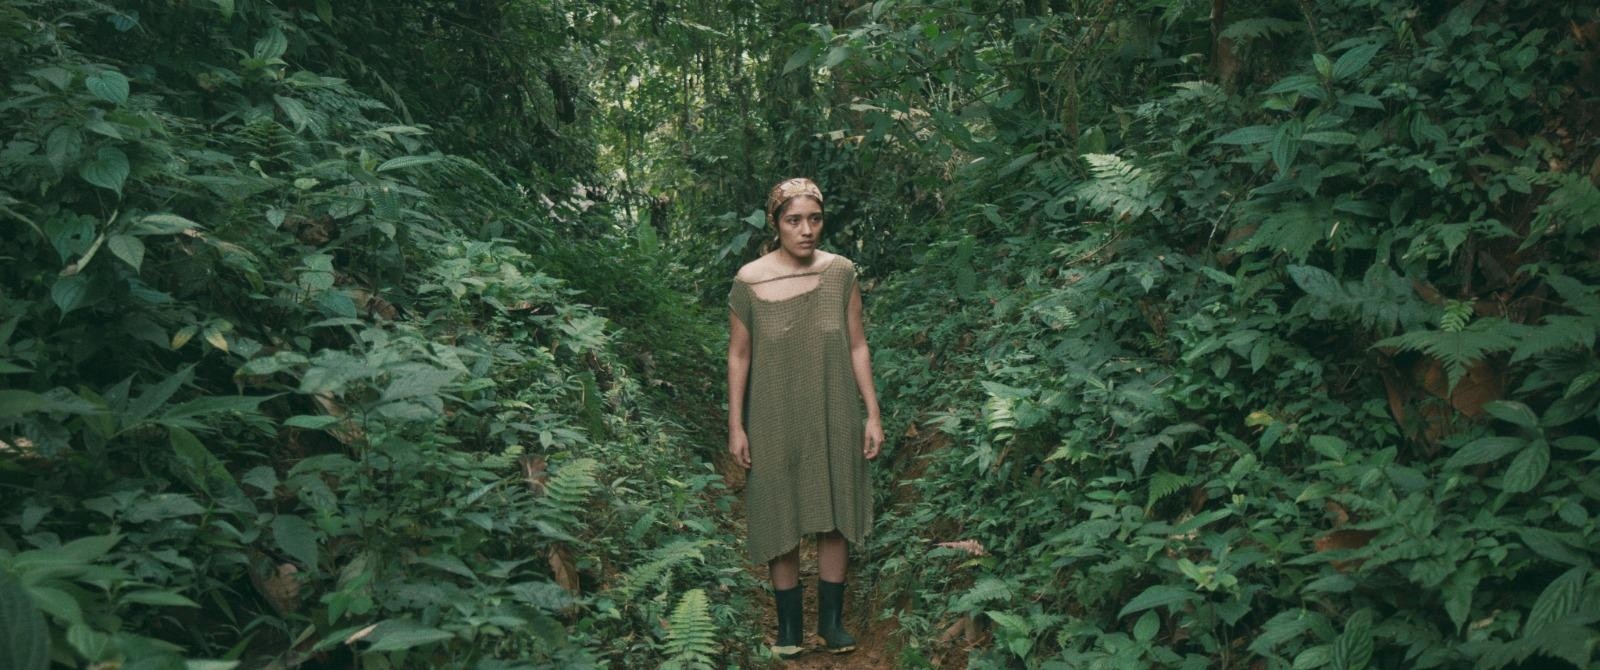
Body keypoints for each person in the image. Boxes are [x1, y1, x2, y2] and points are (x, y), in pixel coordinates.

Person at [727, 177, 884, 657]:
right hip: (772, 412)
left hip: (833, 407)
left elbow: (857, 344)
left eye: (814, 219)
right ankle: (790, 630)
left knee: (834, 512)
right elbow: (738, 356)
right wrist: (736, 424)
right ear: (776, 224)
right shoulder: (749, 281)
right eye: (794, 220)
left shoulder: (841, 273)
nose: (806, 230)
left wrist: (872, 413)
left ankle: (832, 626)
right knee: (780, 509)